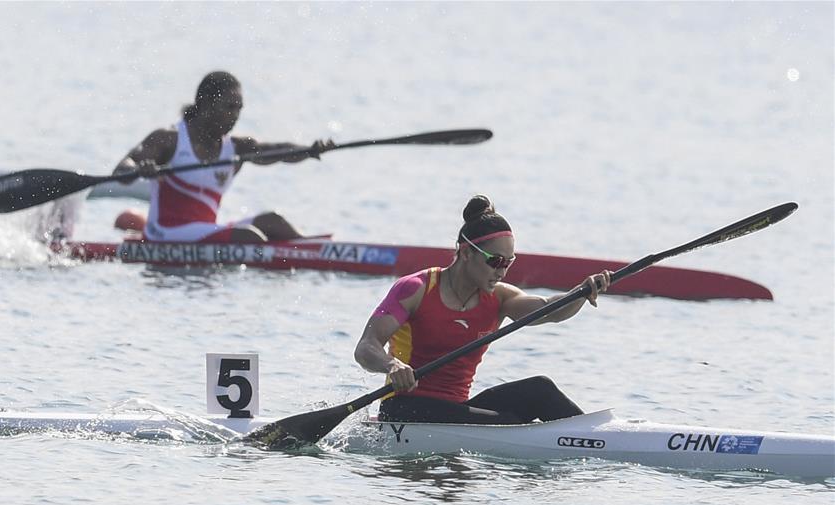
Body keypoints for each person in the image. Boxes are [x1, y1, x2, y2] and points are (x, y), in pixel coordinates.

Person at [354, 195, 611, 424]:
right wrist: (392, 366)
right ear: (466, 253)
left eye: (508, 262)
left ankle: (597, 436)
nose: (501, 271)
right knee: (508, 420)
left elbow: (548, 310)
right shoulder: (416, 289)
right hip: (404, 407)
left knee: (540, 390)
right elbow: (366, 347)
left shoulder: (499, 297)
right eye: (495, 261)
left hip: (455, 409)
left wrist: (580, 292)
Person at [113, 71, 334, 243]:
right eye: (229, 107)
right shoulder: (168, 139)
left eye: (239, 108)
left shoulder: (236, 148)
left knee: (273, 221)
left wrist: (310, 151)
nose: (235, 116)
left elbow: (278, 152)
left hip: (205, 232)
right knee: (248, 236)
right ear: (205, 104)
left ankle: (312, 251)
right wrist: (139, 169)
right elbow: (122, 169)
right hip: (165, 233)